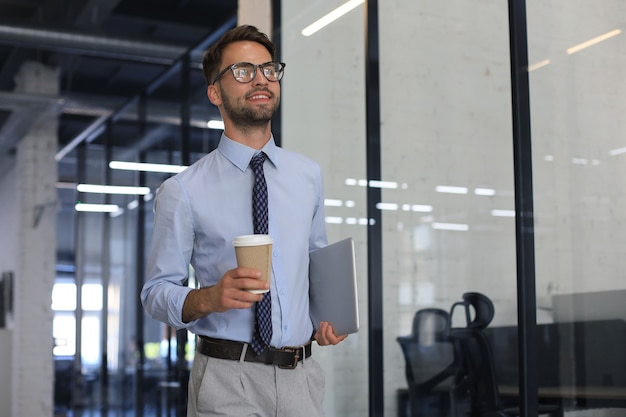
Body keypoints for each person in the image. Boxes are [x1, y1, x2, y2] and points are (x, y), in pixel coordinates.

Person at [140, 24, 347, 417]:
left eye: (269, 69)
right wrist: (208, 298)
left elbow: (316, 262)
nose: (261, 79)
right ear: (215, 92)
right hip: (225, 379)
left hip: (300, 379)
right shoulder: (183, 190)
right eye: (243, 71)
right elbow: (155, 292)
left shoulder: (307, 175)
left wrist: (325, 317)